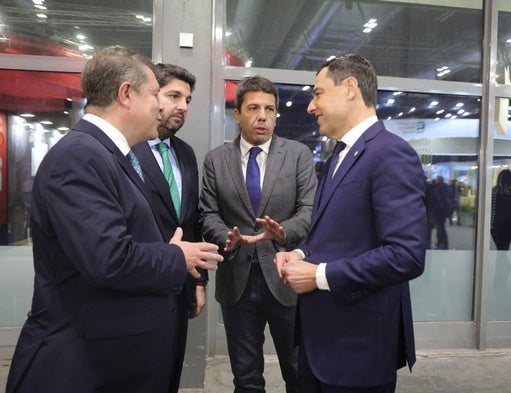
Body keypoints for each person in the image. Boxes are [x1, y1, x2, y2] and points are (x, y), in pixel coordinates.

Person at [6, 46, 223, 393]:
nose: (162, 106)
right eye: (155, 94)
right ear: (126, 94)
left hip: (113, 355)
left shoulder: (108, 155)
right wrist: (177, 256)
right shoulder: (80, 157)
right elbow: (109, 259)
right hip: (83, 365)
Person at [275, 54, 427, 393]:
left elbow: (406, 255)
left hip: (357, 350)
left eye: (317, 93)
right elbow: (338, 234)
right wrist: (300, 255)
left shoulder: (390, 154)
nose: (310, 107)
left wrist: (318, 275)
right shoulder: (337, 157)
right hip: (320, 345)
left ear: (349, 89)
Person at [199, 75, 317, 393]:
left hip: (286, 278)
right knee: (246, 379)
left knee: (299, 373)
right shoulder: (216, 160)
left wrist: (282, 233)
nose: (262, 116)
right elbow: (208, 213)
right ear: (237, 114)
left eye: (269, 108)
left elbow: (308, 211)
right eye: (253, 108)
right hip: (236, 281)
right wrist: (227, 238)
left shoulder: (298, 155)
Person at [132, 63, 206, 393]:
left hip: (179, 288)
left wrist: (198, 281)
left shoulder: (186, 154)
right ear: (150, 95)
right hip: (137, 289)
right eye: (174, 96)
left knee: (169, 375)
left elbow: (189, 223)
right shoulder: (125, 152)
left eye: (188, 100)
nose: (183, 107)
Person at [490, 168, 511, 288]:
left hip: (494, 227)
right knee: (503, 252)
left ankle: (500, 279)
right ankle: (501, 279)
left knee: (501, 252)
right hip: (507, 228)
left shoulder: (493, 191)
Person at [426, 175, 451, 249]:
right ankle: (442, 243)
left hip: (437, 211)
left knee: (434, 228)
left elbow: (436, 200)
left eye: (436, 180)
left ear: (439, 180)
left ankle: (440, 243)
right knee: (440, 227)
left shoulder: (438, 188)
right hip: (442, 212)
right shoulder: (446, 187)